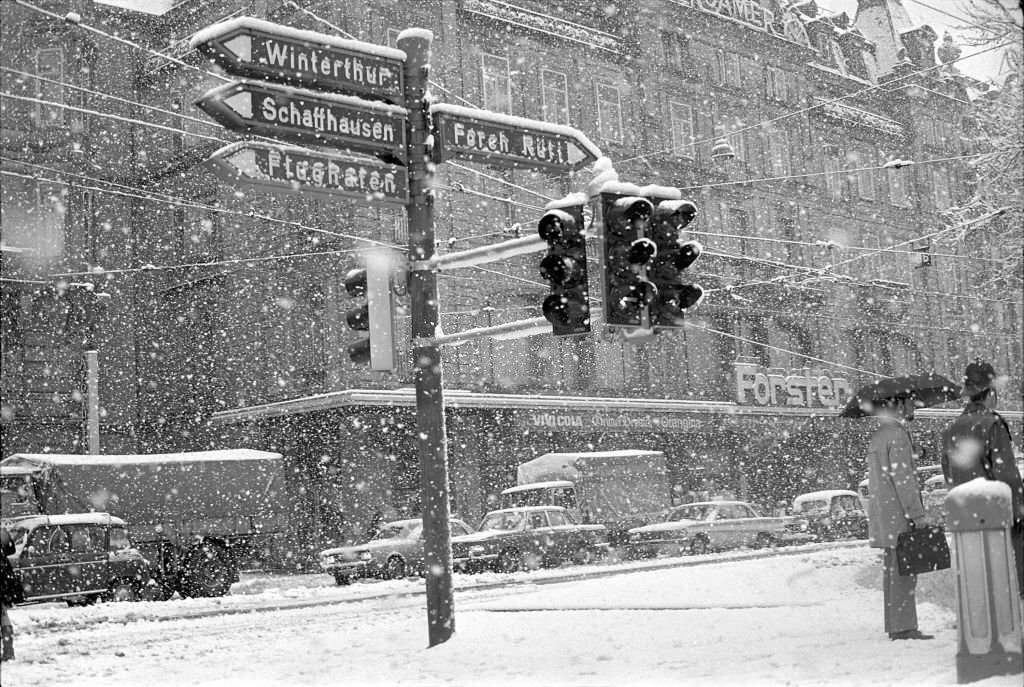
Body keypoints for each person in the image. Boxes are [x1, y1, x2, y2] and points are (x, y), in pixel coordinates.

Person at [941, 360, 1024, 597]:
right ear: (991, 393)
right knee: (1009, 580)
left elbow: (948, 474)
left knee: (978, 581)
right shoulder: (992, 424)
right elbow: (1006, 473)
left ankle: (982, 626)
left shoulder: (952, 428)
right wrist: (1019, 509)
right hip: (996, 515)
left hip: (966, 516)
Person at [865, 396, 933, 640]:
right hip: (899, 514)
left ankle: (896, 624)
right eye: (911, 404)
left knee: (892, 572)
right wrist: (917, 514)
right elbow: (903, 480)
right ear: (900, 406)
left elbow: (888, 468)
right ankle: (904, 627)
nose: (914, 408)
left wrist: (912, 451)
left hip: (884, 513)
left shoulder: (881, 434)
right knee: (904, 573)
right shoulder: (899, 435)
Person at [1, 526, 23, 661]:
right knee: (3, 615)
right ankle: (9, 650)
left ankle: (8, 651)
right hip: (4, 577)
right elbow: (10, 549)